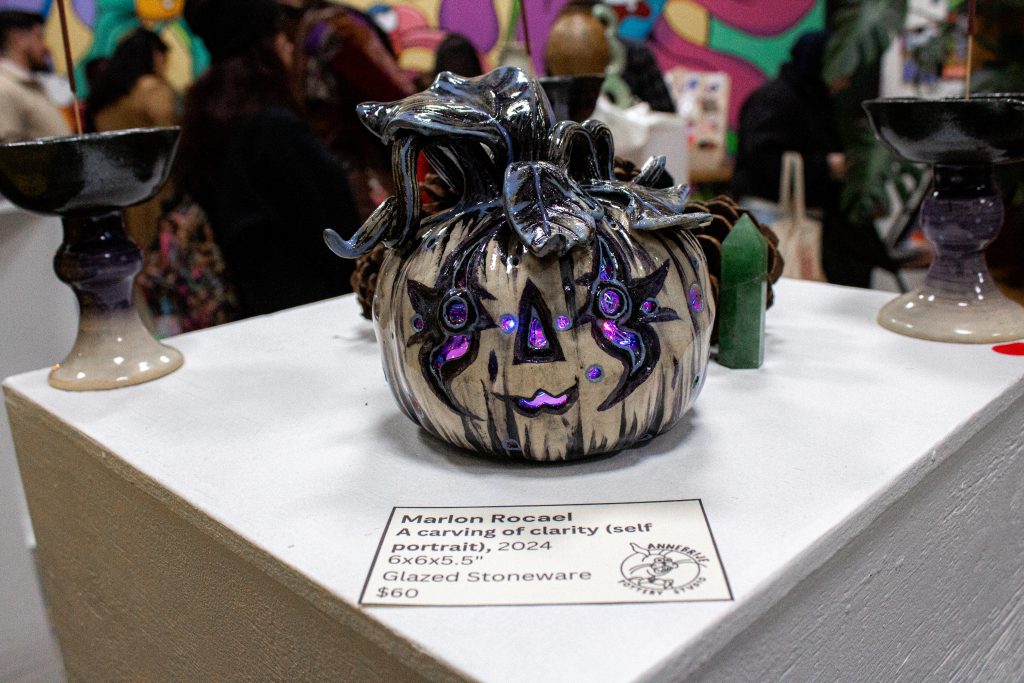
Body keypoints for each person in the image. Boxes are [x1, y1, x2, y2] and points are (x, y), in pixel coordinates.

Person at [177, 0, 360, 318]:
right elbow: (339, 235)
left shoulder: (202, 122)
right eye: (279, 34)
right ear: (264, 48)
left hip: (249, 315)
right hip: (314, 314)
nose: (290, 46)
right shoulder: (275, 129)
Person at [731, 31, 889, 287]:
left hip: (814, 219)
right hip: (774, 217)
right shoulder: (774, 100)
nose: (846, 78)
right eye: (840, 65)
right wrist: (826, 166)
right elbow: (760, 162)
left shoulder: (818, 100)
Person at [283, 0, 415, 222]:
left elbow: (384, 97)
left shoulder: (326, 29)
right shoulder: (327, 26)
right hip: (362, 172)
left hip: (363, 170)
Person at [86, 28, 178, 251]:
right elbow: (171, 139)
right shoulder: (151, 89)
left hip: (117, 191)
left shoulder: (105, 94)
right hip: (157, 188)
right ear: (154, 55)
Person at [86, 28, 176, 133]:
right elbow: (168, 132)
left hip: (109, 148)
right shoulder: (152, 88)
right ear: (155, 55)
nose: (166, 64)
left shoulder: (106, 89)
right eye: (164, 57)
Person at [0, 10, 69, 142]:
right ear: (18, 39)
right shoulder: (4, 87)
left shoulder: (26, 85)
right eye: (39, 37)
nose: (45, 47)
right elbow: (8, 154)